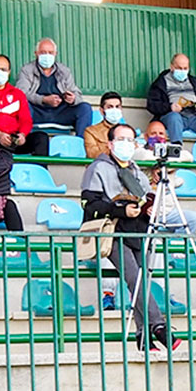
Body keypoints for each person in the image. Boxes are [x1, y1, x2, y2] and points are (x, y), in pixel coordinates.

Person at [81, 124, 179, 358]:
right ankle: (160, 326)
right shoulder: (97, 169)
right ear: (110, 144)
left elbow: (146, 197)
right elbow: (89, 204)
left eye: (130, 139)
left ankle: (143, 335)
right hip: (113, 231)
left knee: (141, 281)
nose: (127, 144)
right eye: (121, 139)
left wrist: (147, 208)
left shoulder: (136, 170)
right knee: (135, 278)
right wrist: (121, 211)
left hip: (139, 231)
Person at [15, 38, 92, 136]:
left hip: (60, 113)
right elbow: (20, 94)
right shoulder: (27, 70)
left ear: (55, 54)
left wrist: (72, 99)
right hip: (36, 112)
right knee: (23, 106)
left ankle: (81, 145)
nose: (47, 56)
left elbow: (77, 94)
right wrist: (43, 99)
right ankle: (25, 143)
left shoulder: (64, 71)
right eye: (43, 52)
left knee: (85, 108)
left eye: (50, 52)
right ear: (36, 53)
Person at [146, 53, 196, 146]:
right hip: (175, 117)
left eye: (185, 68)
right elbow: (152, 105)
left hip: (195, 117)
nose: (182, 71)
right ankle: (177, 148)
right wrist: (170, 107)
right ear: (172, 67)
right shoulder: (161, 82)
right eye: (179, 68)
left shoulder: (194, 82)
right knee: (174, 117)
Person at [83, 91, 125, 162]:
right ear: (102, 111)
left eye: (117, 107)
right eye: (110, 107)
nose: (114, 110)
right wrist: (117, 148)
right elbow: (92, 154)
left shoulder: (126, 131)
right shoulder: (91, 131)